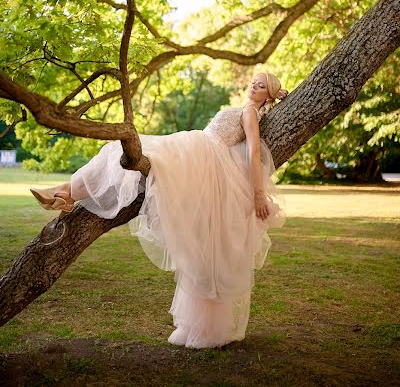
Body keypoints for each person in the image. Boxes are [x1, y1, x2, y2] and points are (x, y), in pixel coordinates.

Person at [30, 72, 288, 349]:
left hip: (202, 156)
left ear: (268, 97)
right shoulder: (244, 109)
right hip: (195, 147)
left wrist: (259, 194)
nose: (254, 86)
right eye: (254, 81)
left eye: (262, 86)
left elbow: (253, 153)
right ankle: (66, 192)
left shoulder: (249, 114)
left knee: (125, 152)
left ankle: (66, 192)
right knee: (120, 152)